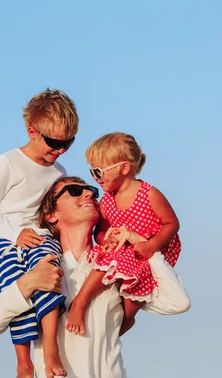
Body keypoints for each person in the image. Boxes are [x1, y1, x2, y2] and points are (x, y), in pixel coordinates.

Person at [0, 176, 191, 378]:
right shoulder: (40, 265)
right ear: (51, 214)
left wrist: (145, 247)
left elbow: (178, 302)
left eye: (92, 191)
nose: (89, 194)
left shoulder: (119, 266)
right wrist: (29, 282)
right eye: (75, 190)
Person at [0, 89, 78, 378]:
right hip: (3, 239)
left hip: (40, 236)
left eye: (68, 143)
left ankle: (50, 351)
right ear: (32, 131)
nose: (59, 150)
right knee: (19, 290)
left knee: (49, 275)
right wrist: (14, 233)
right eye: (54, 142)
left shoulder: (59, 171)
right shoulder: (7, 162)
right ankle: (23, 362)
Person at [65, 132, 182, 337]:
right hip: (121, 251)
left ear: (124, 168)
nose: (95, 179)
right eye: (92, 172)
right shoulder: (108, 201)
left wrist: (151, 246)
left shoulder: (149, 194)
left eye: (99, 172)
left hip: (147, 248)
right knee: (113, 257)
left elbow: (172, 224)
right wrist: (105, 239)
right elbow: (99, 232)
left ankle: (124, 323)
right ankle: (80, 302)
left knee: (132, 301)